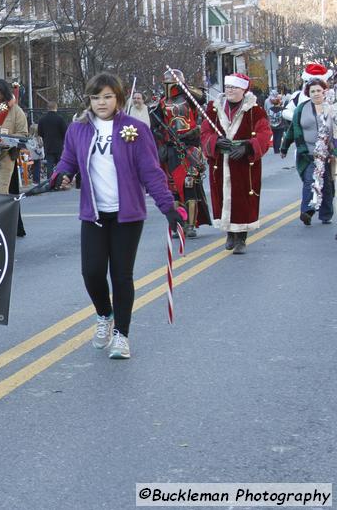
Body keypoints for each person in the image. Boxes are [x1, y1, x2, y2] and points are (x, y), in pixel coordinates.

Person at [52, 72, 181, 360]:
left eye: (107, 96)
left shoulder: (134, 129)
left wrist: (168, 207)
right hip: (94, 214)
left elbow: (151, 172)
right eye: (96, 97)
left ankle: (122, 335)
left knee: (121, 276)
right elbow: (68, 161)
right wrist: (60, 175)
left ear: (118, 98)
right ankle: (104, 315)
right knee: (92, 272)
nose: (101, 102)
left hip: (127, 215)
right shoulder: (78, 129)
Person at [200, 73, 272, 254]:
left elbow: (264, 135)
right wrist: (215, 141)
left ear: (243, 90)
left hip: (244, 163)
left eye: (234, 88)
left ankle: (241, 238)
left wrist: (248, 147)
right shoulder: (213, 110)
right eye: (228, 87)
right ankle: (230, 233)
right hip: (221, 162)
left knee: (243, 199)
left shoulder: (255, 111)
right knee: (223, 197)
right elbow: (205, 133)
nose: (230, 90)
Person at [150, 69, 212, 238]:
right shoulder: (161, 103)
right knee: (174, 188)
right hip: (172, 149)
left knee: (189, 184)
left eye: (174, 82)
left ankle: (191, 225)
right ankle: (179, 223)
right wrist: (161, 136)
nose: (171, 86)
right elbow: (154, 126)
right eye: (168, 82)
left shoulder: (190, 99)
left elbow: (202, 99)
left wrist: (184, 87)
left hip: (190, 148)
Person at [280, 78, 334, 226]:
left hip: (328, 154)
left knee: (326, 185)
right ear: (308, 93)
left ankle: (326, 214)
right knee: (310, 181)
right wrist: (284, 147)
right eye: (313, 91)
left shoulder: (331, 108)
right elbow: (293, 130)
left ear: (324, 92)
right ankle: (307, 211)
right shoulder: (301, 109)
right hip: (308, 153)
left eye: (319, 91)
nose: (316, 94)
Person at [36, 101, 67, 182]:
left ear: (47, 108)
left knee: (49, 165)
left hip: (48, 145)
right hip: (59, 145)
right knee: (60, 164)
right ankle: (59, 181)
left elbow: (40, 133)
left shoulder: (42, 119)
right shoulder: (60, 119)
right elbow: (65, 132)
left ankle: (50, 182)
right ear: (56, 108)